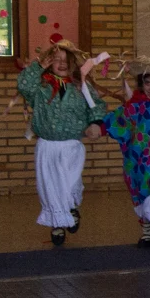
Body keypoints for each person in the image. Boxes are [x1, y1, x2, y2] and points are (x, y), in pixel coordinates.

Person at [17, 42, 111, 245]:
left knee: (69, 184)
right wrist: (37, 67)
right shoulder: (40, 88)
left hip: (71, 146)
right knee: (51, 187)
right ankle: (57, 225)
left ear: (74, 63)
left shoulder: (81, 86)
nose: (61, 64)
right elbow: (23, 85)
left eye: (66, 60)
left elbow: (96, 106)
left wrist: (95, 123)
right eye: (56, 59)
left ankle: (70, 209)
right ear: (49, 62)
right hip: (47, 146)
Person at [100, 62, 150, 250]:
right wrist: (100, 127)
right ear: (140, 83)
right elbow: (118, 120)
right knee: (141, 193)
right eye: (147, 83)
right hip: (139, 161)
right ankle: (147, 231)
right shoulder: (134, 105)